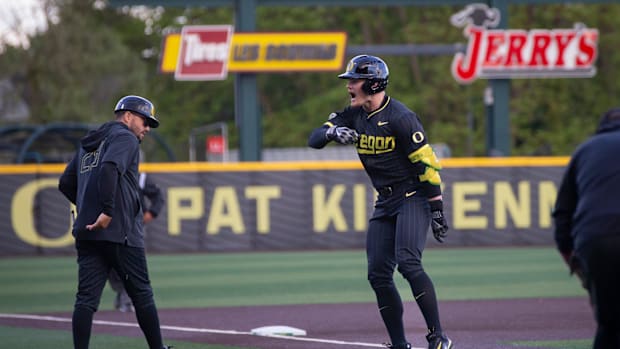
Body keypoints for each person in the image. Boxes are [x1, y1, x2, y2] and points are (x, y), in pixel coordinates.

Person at [308, 55, 452, 349]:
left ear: (372, 84)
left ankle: (438, 337)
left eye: (354, 80)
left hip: (412, 197)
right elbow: (314, 138)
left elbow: (427, 164)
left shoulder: (401, 117)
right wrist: (332, 132)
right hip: (385, 202)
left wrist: (437, 209)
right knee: (377, 274)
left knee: (409, 264)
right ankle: (399, 344)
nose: (349, 86)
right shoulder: (353, 114)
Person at [58, 95, 172, 349]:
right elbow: (110, 168)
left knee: (85, 300)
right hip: (120, 231)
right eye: (145, 121)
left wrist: (89, 209)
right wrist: (107, 211)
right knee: (142, 294)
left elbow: (65, 183)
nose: (146, 129)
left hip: (87, 233)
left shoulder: (90, 142)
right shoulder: (125, 137)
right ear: (128, 116)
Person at [553, 107, 620, 349]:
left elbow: (562, 213)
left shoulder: (585, 150)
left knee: (608, 323)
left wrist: (572, 257)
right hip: (596, 237)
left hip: (595, 240)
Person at [109, 171, 165, 313]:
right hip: (110, 226)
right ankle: (122, 293)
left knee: (131, 263)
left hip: (133, 227)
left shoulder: (141, 177)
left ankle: (126, 299)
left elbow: (158, 197)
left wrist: (151, 212)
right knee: (111, 265)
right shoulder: (107, 173)